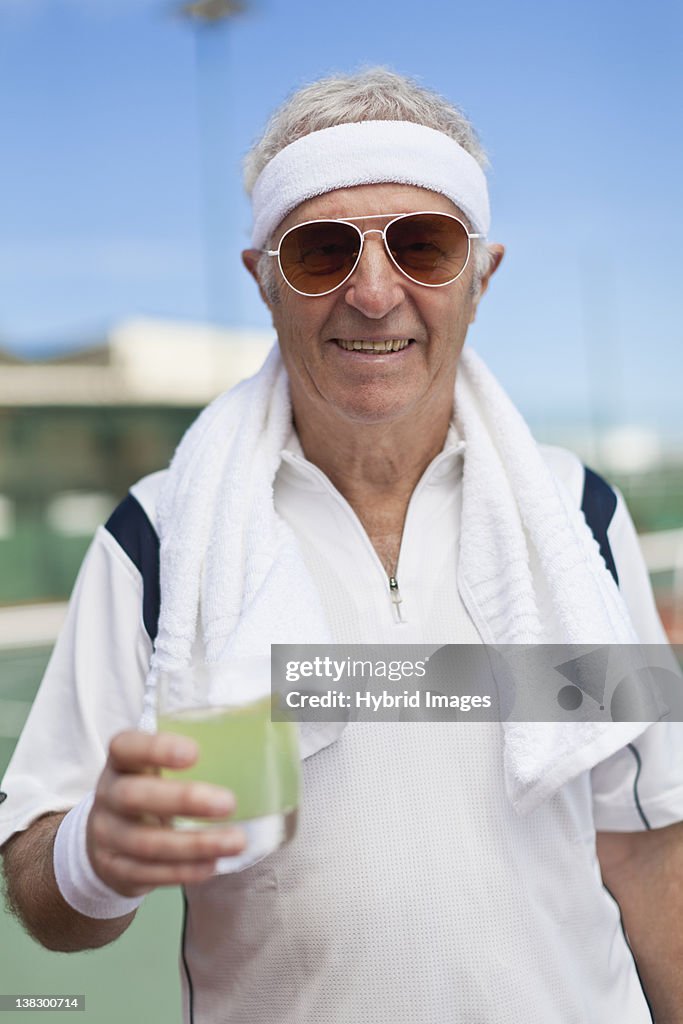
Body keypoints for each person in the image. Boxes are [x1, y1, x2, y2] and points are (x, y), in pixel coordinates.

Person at [1, 68, 682, 1024]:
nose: (373, 294)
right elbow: (40, 884)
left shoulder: (581, 517)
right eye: (322, 252)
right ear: (263, 279)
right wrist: (93, 855)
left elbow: (647, 843)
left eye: (424, 246)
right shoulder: (159, 540)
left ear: (481, 276)